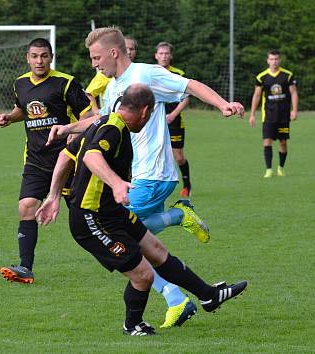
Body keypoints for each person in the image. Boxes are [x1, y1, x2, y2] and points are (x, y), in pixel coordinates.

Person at [47, 26, 245, 329]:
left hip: (149, 174)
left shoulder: (145, 74)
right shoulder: (113, 88)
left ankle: (172, 290)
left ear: (114, 52)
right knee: (150, 247)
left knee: (132, 248)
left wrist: (222, 104)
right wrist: (68, 129)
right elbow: (102, 123)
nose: (94, 64)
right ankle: (201, 296)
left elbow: (189, 85)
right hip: (129, 178)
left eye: (97, 57)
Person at [0, 38, 93, 284]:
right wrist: (9, 117)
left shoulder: (65, 83)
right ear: (27, 58)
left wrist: (73, 137)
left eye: (44, 56)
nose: (39, 61)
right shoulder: (20, 84)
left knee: (82, 220)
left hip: (67, 161)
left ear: (51, 57)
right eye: (35, 56)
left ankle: (121, 251)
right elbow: (23, 109)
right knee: (26, 206)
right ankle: (25, 268)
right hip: (35, 161)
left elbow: (89, 116)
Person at [249, 49, 298, 178]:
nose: (274, 61)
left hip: (283, 116)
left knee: (283, 142)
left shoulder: (287, 75)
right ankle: (269, 170)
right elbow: (257, 95)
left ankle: (281, 167)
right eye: (271, 59)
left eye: (276, 59)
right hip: (268, 116)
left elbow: (293, 93)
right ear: (267, 60)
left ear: (279, 60)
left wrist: (294, 110)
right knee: (267, 141)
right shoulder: (262, 77)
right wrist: (252, 114)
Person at [155, 42, 192, 197]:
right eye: (161, 53)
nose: (163, 56)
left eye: (166, 53)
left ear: (171, 56)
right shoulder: (151, 72)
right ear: (156, 56)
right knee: (156, 154)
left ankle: (187, 184)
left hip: (174, 121)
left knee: (178, 156)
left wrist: (173, 114)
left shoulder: (178, 74)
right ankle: (158, 185)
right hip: (155, 121)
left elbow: (186, 98)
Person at [85, 37, 137, 114]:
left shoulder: (139, 71)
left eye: (131, 49)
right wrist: (95, 110)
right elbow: (89, 93)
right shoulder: (104, 74)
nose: (128, 52)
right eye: (126, 49)